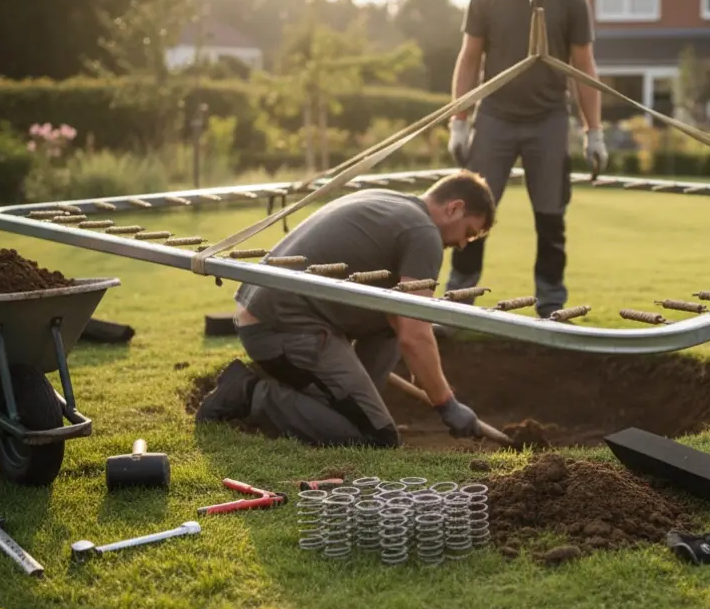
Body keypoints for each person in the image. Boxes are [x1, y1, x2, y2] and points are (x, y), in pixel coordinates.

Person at [195, 171, 497, 449]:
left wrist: (427, 375)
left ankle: (358, 408)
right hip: (282, 330)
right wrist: (446, 403)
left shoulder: (389, 200)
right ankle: (250, 394)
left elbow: (400, 320)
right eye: (467, 233)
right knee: (377, 438)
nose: (460, 244)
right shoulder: (423, 233)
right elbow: (414, 335)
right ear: (454, 208)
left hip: (267, 316)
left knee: (389, 328)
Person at [445, 0, 607, 320]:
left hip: (548, 122)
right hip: (494, 118)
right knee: (472, 211)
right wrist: (459, 121)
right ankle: (458, 300)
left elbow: (584, 66)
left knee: (551, 218)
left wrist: (593, 132)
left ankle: (551, 306)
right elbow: (469, 57)